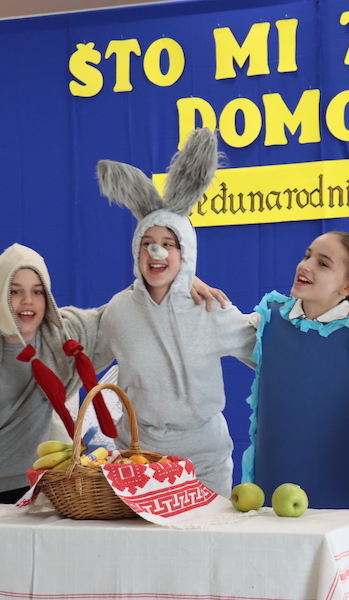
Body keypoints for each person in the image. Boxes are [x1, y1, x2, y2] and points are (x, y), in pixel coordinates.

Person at [0, 243, 226, 504]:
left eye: (37, 291)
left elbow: (120, 312)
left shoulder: (65, 333)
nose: (27, 301)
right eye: (15, 291)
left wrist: (175, 281)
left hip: (27, 486)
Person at [93, 128, 255, 498]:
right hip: (138, 457)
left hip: (205, 460)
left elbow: (263, 345)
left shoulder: (209, 308)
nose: (157, 252)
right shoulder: (119, 311)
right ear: (136, 251)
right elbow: (79, 355)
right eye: (148, 243)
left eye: (169, 244)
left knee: (204, 535)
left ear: (186, 253)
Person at [241, 231, 349, 509]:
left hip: (345, 507)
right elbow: (209, 330)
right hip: (271, 499)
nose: (305, 265)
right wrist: (184, 284)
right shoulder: (267, 324)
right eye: (307, 256)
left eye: (323, 264)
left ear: (348, 287)